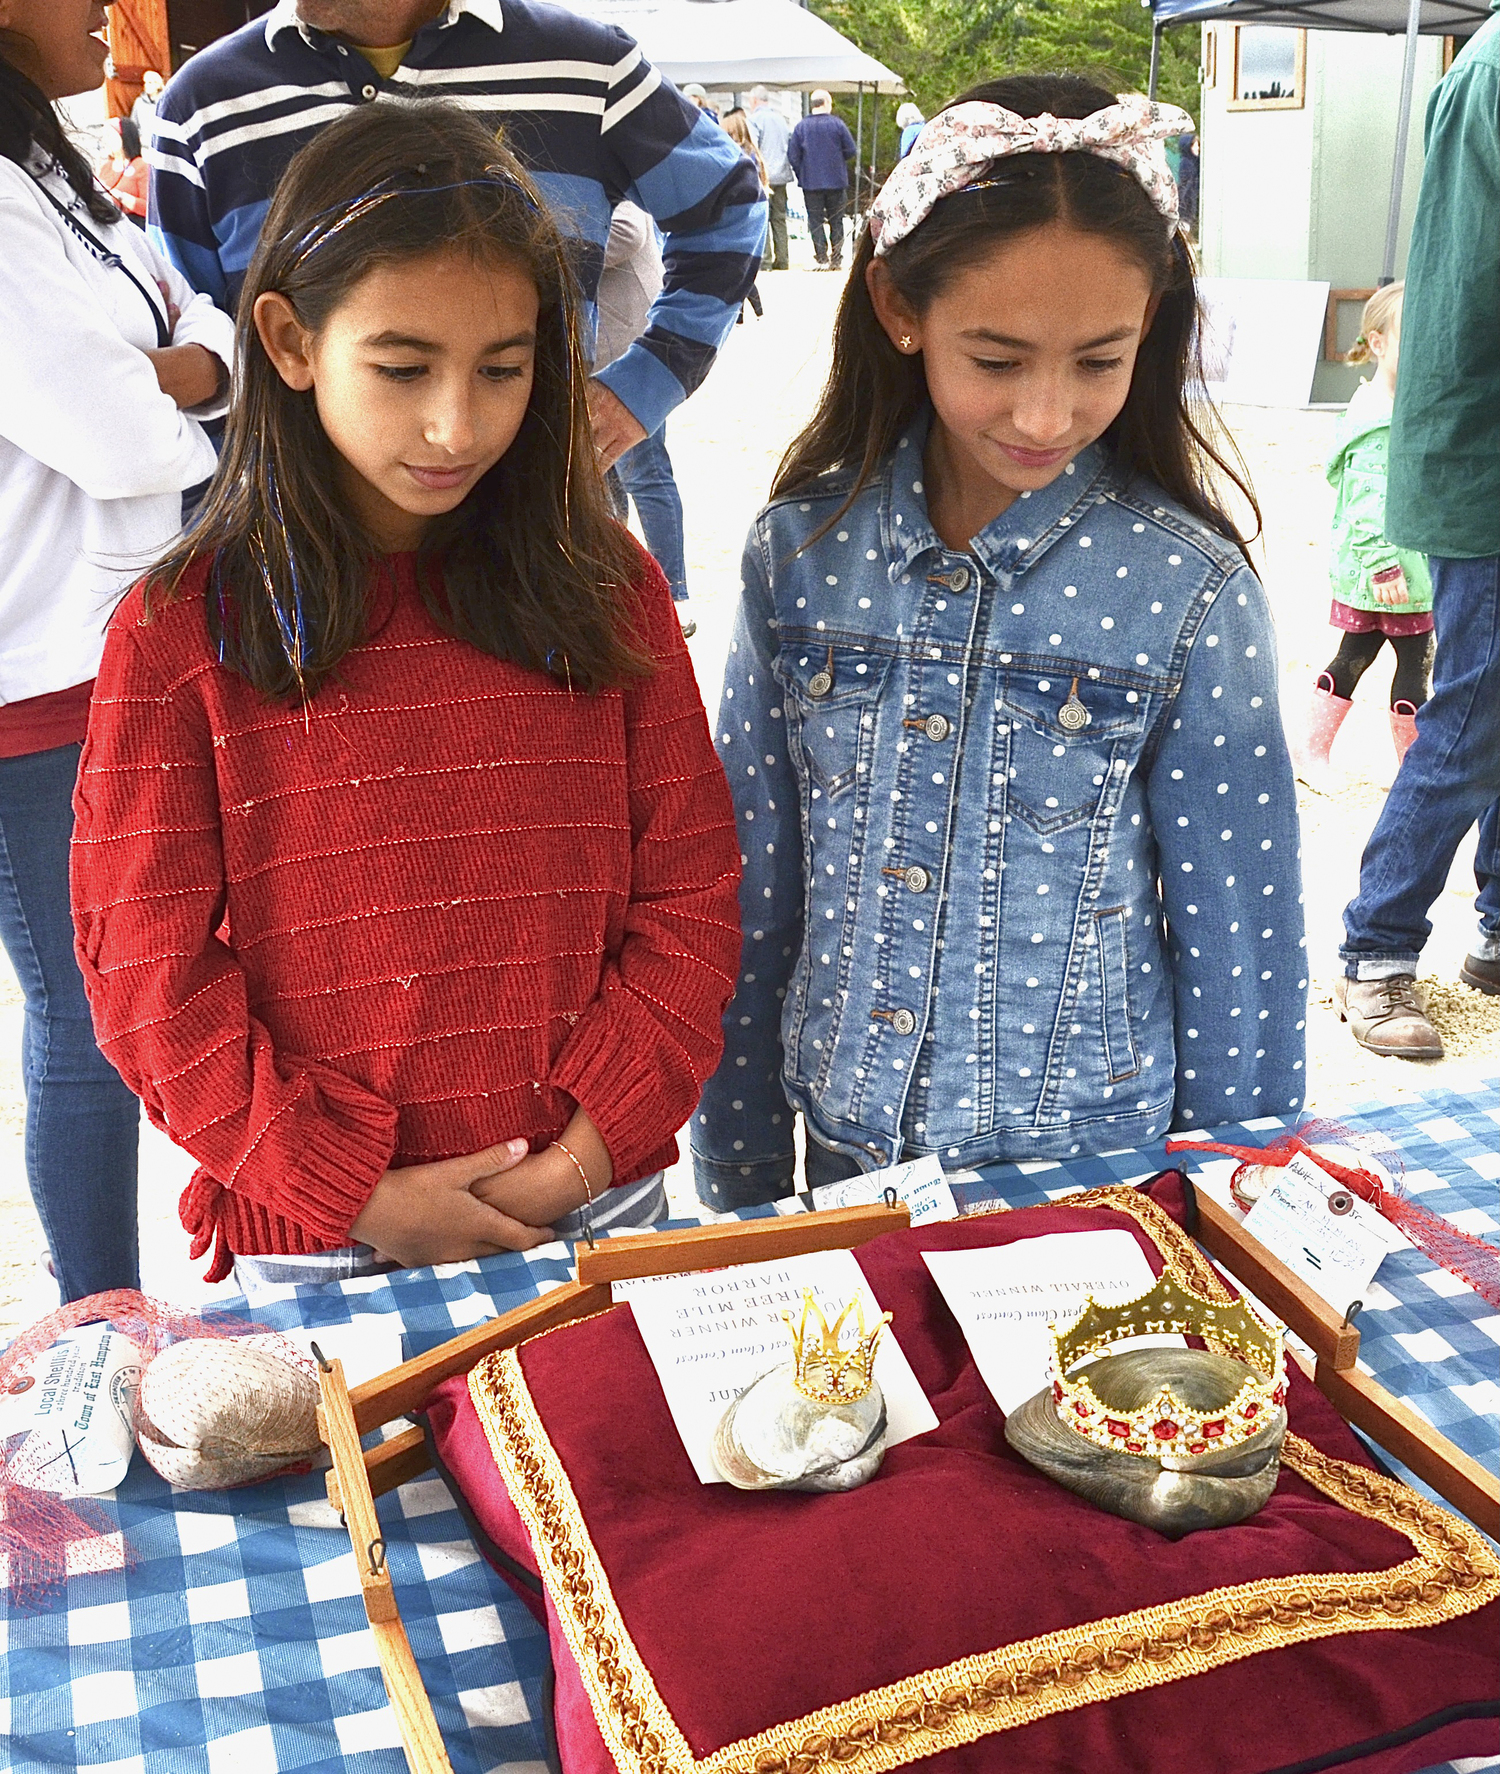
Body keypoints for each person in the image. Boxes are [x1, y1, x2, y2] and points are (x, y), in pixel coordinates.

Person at [71, 103, 742, 1295]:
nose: (456, 423)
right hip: (319, 1252)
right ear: (287, 341)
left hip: (607, 1209)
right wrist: (356, 1191)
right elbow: (144, 971)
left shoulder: (608, 588)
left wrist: (586, 1152)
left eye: (504, 367)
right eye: (400, 366)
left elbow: (691, 890)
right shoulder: (182, 630)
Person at [693, 76, 1306, 1208]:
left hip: (1094, 1176)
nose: (1044, 414)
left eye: (1099, 360)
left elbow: (1242, 946)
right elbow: (750, 883)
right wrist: (736, 1165)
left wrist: (1239, 1197)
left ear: (1154, 326)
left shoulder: (1193, 588)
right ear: (897, 305)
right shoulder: (798, 556)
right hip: (843, 1159)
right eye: (996, 357)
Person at [0, 0, 234, 1302]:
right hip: (39, 686)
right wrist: (192, 373)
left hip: (121, 652)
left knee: (153, 994)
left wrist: (179, 357)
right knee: (89, 1029)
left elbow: (190, 307)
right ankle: (99, 1324)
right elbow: (119, 437)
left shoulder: (46, 166)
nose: (104, 7)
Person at [147, 1, 765, 470]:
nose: (449, 432)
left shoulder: (585, 66)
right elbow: (192, 324)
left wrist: (644, 385)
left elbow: (728, 208)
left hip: (531, 535)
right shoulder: (204, 104)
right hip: (296, 562)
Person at [1336, 7, 1500, 1054]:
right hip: (1487, 461)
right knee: (1474, 711)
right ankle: (1378, 950)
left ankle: (1495, 937)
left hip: (1476, 443)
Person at [1291, 284, 1431, 792]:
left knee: (1360, 655)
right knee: (1411, 665)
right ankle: (1411, 772)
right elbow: (1366, 503)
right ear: (1377, 344)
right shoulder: (1378, 423)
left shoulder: (1392, 405)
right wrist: (1383, 565)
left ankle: (1314, 750)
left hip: (1402, 569)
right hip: (1391, 573)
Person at [595, 203, 695, 634]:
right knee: (598, 480)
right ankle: (612, 586)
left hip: (630, 360)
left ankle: (675, 596)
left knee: (646, 476)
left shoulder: (611, 176)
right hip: (592, 360)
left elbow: (628, 233)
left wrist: (547, 235)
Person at [789, 90, 856, 270]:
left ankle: (821, 256)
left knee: (815, 220)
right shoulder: (838, 125)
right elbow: (851, 150)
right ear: (827, 103)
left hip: (811, 182)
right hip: (836, 180)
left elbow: (793, 156)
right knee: (837, 219)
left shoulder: (801, 127)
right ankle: (836, 257)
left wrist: (801, 173)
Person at [721, 108, 765, 319]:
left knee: (738, 269)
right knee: (739, 268)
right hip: (746, 218)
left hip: (741, 218)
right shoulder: (751, 154)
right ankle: (748, 312)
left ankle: (745, 313)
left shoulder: (741, 157)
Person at [748, 84, 791, 270]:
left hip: (763, 176)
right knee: (780, 218)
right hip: (781, 175)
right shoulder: (781, 120)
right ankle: (783, 259)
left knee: (762, 217)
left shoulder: (754, 120)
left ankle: (765, 260)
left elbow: (753, 147)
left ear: (754, 100)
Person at [97, 113, 148, 225]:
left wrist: (117, 195)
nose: (105, 141)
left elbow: (148, 208)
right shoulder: (106, 167)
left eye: (110, 136)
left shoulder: (141, 166)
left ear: (124, 138)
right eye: (103, 137)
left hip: (134, 225)